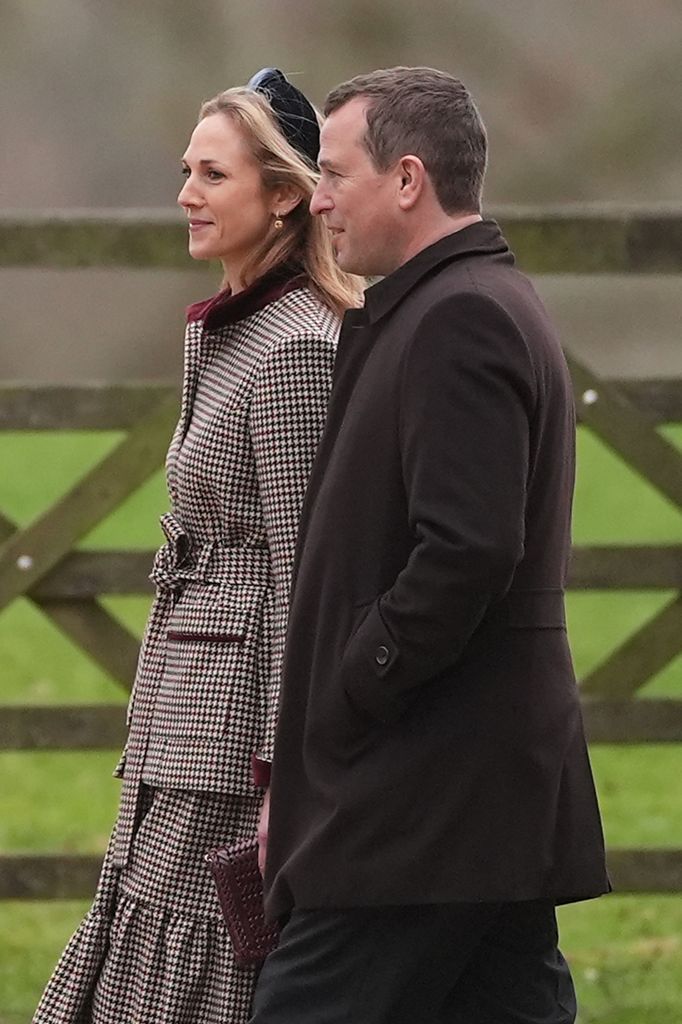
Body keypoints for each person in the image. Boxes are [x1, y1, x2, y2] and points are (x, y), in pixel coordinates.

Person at [251, 67, 611, 1024]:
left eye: (333, 173)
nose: (316, 198)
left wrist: (355, 676)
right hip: (468, 796)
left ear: (407, 179)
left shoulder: (460, 318)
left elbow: (467, 550)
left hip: (421, 798)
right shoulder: (451, 304)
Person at [33, 69, 362, 1024]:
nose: (185, 192)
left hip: (231, 737)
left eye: (213, 174)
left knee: (194, 964)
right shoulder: (230, 327)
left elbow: (307, 571)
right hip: (179, 708)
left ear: (287, 194)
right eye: (187, 169)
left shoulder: (299, 341)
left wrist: (280, 773)